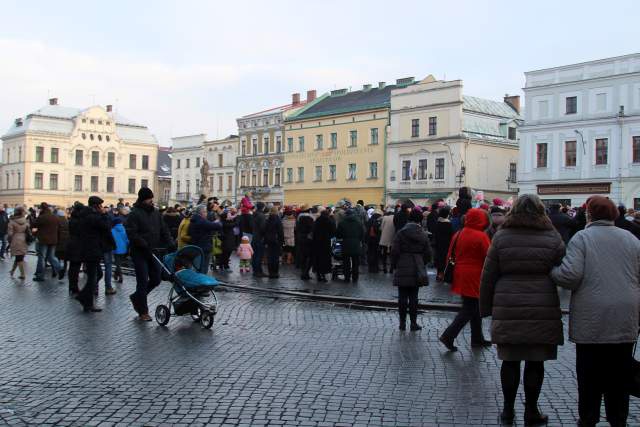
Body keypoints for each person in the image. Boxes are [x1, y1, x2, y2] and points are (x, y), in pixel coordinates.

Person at [551, 196, 640, 427]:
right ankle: (617, 418)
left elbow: (570, 276)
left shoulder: (583, 238)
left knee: (589, 374)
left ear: (589, 214)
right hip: (625, 315)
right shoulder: (631, 239)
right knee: (620, 374)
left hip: (592, 316)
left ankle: (589, 418)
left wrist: (553, 272)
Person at [480, 194, 565, 426]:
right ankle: (531, 410)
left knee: (510, 360)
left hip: (508, 303)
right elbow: (563, 268)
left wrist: (485, 308)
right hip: (542, 303)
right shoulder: (552, 236)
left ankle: (508, 410)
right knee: (535, 362)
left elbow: (488, 275)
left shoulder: (502, 237)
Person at [439, 208, 491, 351]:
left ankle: (477, 338)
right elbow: (489, 256)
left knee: (474, 307)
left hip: (460, 273)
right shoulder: (481, 236)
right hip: (475, 275)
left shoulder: (458, 233)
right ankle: (448, 335)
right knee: (470, 308)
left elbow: (450, 254)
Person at [126, 188, 173, 321]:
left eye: (152, 198)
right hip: (139, 252)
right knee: (141, 281)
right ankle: (143, 311)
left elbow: (164, 230)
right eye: (149, 199)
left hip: (154, 250)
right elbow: (131, 233)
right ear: (143, 199)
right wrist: (142, 243)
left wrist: (170, 243)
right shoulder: (134, 214)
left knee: (156, 279)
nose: (151, 201)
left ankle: (137, 297)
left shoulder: (156, 213)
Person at [390, 208, 431, 331]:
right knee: (414, 297)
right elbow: (428, 253)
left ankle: (402, 323)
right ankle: (413, 323)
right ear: (420, 220)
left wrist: (395, 264)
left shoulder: (401, 233)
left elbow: (394, 251)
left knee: (402, 297)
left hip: (402, 263)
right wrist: (421, 262)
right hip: (417, 265)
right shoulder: (423, 234)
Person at [74, 196, 113, 312]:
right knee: (93, 276)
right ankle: (86, 301)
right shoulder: (93, 217)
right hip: (92, 249)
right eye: (100, 206)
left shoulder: (86, 215)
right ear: (96, 206)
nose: (102, 208)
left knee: (97, 275)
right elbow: (106, 227)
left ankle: (85, 298)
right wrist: (104, 214)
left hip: (89, 248)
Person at [32, 202, 63, 281]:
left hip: (43, 240)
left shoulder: (42, 217)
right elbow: (59, 229)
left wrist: (37, 216)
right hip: (53, 240)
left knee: (42, 257)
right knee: (51, 257)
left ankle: (40, 276)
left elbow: (34, 224)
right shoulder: (55, 217)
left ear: (41, 209)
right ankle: (60, 269)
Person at [188, 204, 222, 274]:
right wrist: (218, 222)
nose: (206, 213)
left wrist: (212, 223)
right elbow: (217, 226)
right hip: (203, 247)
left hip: (197, 246)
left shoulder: (195, 219)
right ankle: (201, 282)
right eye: (205, 212)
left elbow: (208, 225)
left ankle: (199, 281)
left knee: (198, 267)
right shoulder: (201, 220)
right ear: (201, 212)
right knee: (202, 268)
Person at [336, 208, 364, 283]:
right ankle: (355, 278)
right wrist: (359, 240)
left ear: (346, 215)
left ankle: (347, 277)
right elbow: (362, 233)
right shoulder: (359, 222)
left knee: (346, 263)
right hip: (356, 244)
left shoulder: (342, 223)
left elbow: (338, 235)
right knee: (356, 263)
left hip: (346, 244)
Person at [312, 209, 336, 282]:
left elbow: (313, 231)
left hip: (317, 242)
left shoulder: (317, 221)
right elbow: (333, 231)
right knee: (325, 259)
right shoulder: (329, 221)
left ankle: (318, 274)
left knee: (318, 258)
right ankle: (324, 275)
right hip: (326, 242)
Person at [433, 206, 453, 281]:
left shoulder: (437, 222)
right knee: (445, 259)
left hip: (438, 244)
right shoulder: (448, 224)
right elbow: (451, 234)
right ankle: (443, 274)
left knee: (439, 258)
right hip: (446, 244)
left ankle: (439, 273)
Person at [8, 207, 28, 279]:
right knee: (19, 256)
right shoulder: (25, 220)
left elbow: (10, 234)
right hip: (24, 239)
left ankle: (23, 274)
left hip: (16, 240)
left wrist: (9, 240)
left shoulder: (12, 221)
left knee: (19, 258)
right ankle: (12, 271)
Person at [264, 206, 284, 278]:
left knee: (270, 257)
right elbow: (280, 232)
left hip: (269, 240)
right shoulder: (278, 219)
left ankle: (270, 272)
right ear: (276, 211)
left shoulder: (268, 219)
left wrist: (265, 241)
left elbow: (265, 231)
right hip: (276, 240)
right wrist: (282, 241)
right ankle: (275, 273)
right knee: (275, 257)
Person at [295, 205, 314, 280]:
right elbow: (311, 228)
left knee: (303, 256)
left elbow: (297, 228)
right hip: (308, 239)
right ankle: (306, 273)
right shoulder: (309, 218)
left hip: (300, 238)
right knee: (310, 257)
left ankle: (303, 272)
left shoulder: (298, 218)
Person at [251, 202, 267, 278]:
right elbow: (263, 228)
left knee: (255, 255)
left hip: (254, 237)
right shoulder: (261, 215)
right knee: (259, 255)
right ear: (263, 207)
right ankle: (258, 271)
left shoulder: (254, 214)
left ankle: (256, 271)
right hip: (260, 237)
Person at [111, 216, 128, 284]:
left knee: (118, 264)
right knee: (119, 263)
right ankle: (115, 274)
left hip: (115, 248)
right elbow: (127, 239)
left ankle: (120, 276)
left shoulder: (112, 230)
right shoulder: (124, 229)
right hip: (124, 248)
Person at [378, 208, 395, 274]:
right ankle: (391, 268)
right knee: (392, 254)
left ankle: (384, 268)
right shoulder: (395, 218)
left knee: (384, 254)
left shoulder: (385, 218)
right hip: (393, 238)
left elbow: (381, 228)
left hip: (384, 238)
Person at [54, 209, 70, 279]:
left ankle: (58, 269)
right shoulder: (67, 221)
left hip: (59, 241)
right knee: (65, 258)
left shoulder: (57, 221)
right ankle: (64, 268)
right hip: (66, 242)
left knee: (57, 257)